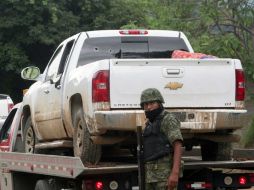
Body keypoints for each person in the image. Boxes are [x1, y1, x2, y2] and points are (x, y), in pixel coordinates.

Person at [140, 88, 183, 190]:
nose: (149, 107)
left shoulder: (168, 119)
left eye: (152, 103)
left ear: (159, 103)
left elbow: (177, 144)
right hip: (150, 178)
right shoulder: (149, 124)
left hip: (165, 178)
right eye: (145, 104)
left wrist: (175, 173)